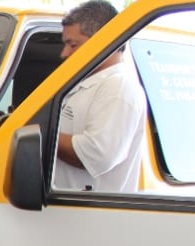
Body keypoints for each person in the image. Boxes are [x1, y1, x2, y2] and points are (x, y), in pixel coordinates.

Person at [53, 0, 148, 193]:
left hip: (92, 217)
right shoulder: (88, 83)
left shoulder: (118, 87)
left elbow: (95, 154)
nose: (64, 54)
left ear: (102, 42)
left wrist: (38, 134)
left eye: (73, 45)